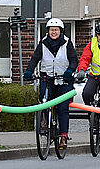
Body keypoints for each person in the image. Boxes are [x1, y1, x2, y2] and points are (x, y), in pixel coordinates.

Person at [24, 18, 78, 149]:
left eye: (56, 30)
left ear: (61, 31)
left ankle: (63, 136)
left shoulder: (67, 43)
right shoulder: (43, 43)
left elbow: (74, 60)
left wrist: (70, 70)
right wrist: (29, 71)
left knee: (63, 108)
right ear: (48, 31)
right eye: (51, 30)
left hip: (64, 81)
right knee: (43, 100)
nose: (53, 32)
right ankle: (44, 121)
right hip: (47, 79)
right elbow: (35, 58)